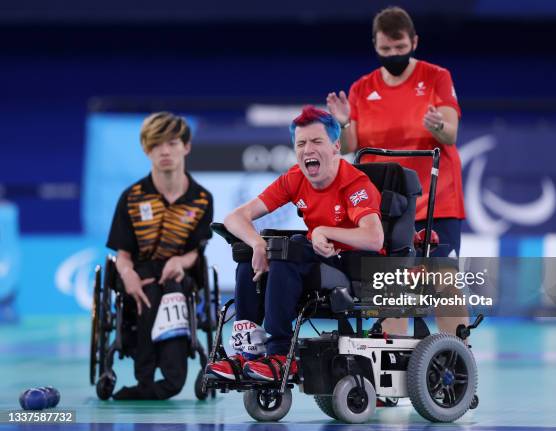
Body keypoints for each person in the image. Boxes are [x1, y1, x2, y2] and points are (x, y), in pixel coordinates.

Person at [206, 106, 384, 381]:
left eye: (316, 141)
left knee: (290, 248)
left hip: (352, 268)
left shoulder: (355, 183)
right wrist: (256, 244)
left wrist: (325, 230)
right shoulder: (296, 178)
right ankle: (248, 353)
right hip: (312, 260)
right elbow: (235, 218)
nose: (307, 149)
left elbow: (374, 237)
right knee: (250, 257)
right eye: (301, 143)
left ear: (336, 146)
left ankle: (280, 354)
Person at [326, 6, 468, 337]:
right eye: (386, 49)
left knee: (441, 279)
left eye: (400, 48)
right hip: (387, 207)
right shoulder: (362, 88)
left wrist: (438, 125)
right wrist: (344, 121)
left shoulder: (437, 77)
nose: (393, 54)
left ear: (414, 42)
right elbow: (350, 145)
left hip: (437, 201)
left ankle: (458, 358)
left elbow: (451, 134)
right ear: (375, 46)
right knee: (390, 285)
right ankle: (392, 360)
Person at [106, 112, 214, 399]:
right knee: (147, 291)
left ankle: (170, 380)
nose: (164, 151)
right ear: (146, 149)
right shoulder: (131, 197)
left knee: (169, 291)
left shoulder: (202, 199)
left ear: (186, 147)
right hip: (139, 275)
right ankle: (146, 380)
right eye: (156, 145)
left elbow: (196, 252)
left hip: (179, 278)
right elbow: (123, 254)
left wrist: (180, 261)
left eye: (172, 143)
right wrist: (127, 275)